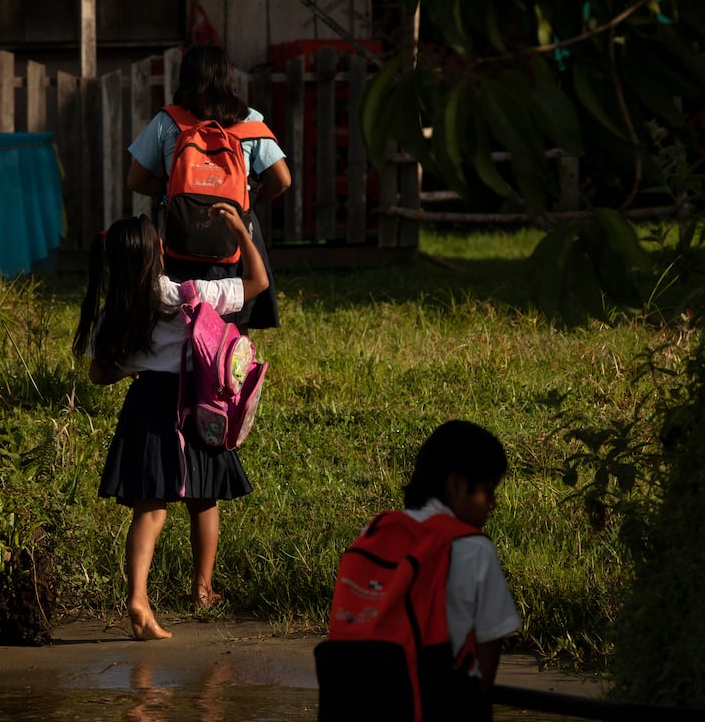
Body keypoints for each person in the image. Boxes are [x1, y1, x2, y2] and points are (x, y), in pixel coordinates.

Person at [72, 208, 268, 641]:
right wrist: (239, 230)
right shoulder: (187, 292)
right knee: (205, 496)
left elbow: (98, 374)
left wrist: (135, 367)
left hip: (146, 407)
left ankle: (138, 597)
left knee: (150, 509)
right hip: (196, 406)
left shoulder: (116, 309)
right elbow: (258, 282)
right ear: (158, 251)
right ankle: (203, 589)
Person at [315, 419, 521, 721]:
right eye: (488, 491)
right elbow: (489, 646)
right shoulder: (474, 547)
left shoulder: (373, 531)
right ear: (456, 486)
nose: (492, 504)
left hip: (360, 700)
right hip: (433, 702)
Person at [126, 44, 290, 330]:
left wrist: (171, 189)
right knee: (236, 317)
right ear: (229, 77)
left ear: (185, 78)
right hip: (235, 232)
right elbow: (282, 179)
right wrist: (250, 198)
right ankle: (230, 368)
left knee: (181, 317)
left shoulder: (168, 121)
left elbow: (135, 179)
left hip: (182, 233)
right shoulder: (249, 120)